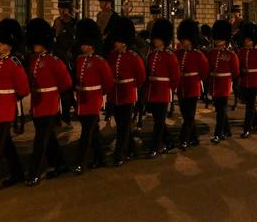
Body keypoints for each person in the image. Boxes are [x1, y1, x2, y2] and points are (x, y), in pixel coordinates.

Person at [0, 18, 30, 192]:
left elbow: (24, 89)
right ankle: (17, 172)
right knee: (6, 144)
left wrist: (12, 98)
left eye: (3, 43)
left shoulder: (15, 63)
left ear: (10, 45)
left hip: (7, 107)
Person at [25, 17, 72, 185]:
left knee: (40, 141)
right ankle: (59, 164)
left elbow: (66, 83)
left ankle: (34, 173)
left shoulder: (54, 62)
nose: (35, 45)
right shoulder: (34, 60)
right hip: (37, 104)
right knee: (49, 138)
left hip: (49, 104)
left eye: (37, 42)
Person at [72, 18, 113, 174]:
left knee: (86, 133)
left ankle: (80, 162)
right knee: (93, 132)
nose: (83, 47)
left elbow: (108, 83)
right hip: (82, 100)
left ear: (92, 45)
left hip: (93, 100)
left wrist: (100, 96)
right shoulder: (79, 60)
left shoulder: (100, 61)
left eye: (86, 44)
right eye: (82, 43)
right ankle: (101, 158)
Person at [105, 15, 145, 166]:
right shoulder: (112, 56)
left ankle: (119, 155)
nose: (117, 43)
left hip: (127, 94)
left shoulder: (133, 57)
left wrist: (132, 89)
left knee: (122, 127)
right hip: (114, 95)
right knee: (123, 125)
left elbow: (141, 77)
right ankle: (131, 149)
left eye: (120, 41)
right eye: (116, 40)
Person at [145, 18, 180, 156]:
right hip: (152, 90)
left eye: (158, 39)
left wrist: (170, 90)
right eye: (155, 38)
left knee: (159, 121)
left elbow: (175, 76)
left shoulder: (169, 56)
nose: (156, 41)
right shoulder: (152, 54)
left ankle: (156, 146)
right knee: (157, 119)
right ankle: (169, 141)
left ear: (164, 40)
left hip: (163, 90)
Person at [175, 18, 208, 148]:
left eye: (186, 39)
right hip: (182, 86)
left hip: (193, 86)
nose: (183, 42)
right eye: (182, 39)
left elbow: (204, 72)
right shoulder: (178, 54)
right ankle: (194, 138)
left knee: (189, 115)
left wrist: (197, 81)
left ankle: (184, 139)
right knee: (185, 114)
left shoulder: (198, 55)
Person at [206, 19, 239, 142]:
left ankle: (217, 134)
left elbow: (235, 72)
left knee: (221, 110)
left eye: (219, 38)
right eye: (216, 38)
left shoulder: (230, 55)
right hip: (214, 84)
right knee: (220, 109)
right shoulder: (211, 53)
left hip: (224, 84)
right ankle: (227, 130)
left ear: (225, 40)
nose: (217, 41)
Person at [237, 22, 257, 138]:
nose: (246, 41)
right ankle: (256, 124)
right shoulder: (242, 52)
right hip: (245, 81)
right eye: (245, 39)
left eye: (249, 40)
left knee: (249, 106)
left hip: (254, 81)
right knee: (250, 104)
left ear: (253, 41)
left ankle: (246, 128)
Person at [52, 0, 77, 125]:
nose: (61, 11)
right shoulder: (57, 20)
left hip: (67, 57)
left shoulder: (72, 22)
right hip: (57, 55)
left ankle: (66, 114)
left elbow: (72, 40)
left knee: (66, 89)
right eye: (60, 8)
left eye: (64, 8)